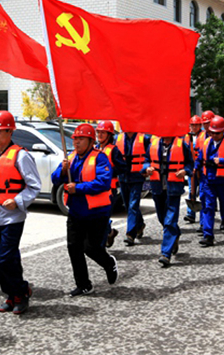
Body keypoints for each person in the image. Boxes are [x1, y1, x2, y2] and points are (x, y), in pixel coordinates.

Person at [0, 111, 41, 315]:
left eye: (0, 131)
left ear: (10, 132)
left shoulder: (21, 156)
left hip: (12, 216)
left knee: (4, 257)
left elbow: (34, 185)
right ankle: (11, 295)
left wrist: (18, 200)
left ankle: (21, 293)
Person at [52, 124, 119, 296]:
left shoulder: (100, 158)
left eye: (81, 139)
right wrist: (63, 170)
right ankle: (83, 284)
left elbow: (103, 182)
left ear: (90, 141)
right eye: (75, 139)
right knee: (73, 247)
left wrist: (79, 188)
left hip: (97, 212)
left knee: (92, 248)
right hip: (76, 211)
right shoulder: (71, 157)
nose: (76, 142)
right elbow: (55, 178)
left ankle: (108, 262)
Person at [144, 135, 194, 267]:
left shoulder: (181, 144)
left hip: (173, 187)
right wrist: (147, 167)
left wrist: (185, 171)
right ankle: (175, 234)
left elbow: (190, 162)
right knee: (162, 218)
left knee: (170, 220)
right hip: (157, 186)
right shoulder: (153, 144)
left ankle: (165, 254)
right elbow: (146, 160)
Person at [194, 115, 224, 246]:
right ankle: (208, 235)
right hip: (208, 180)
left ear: (223, 131)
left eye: (217, 133)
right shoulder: (206, 142)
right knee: (208, 206)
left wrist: (223, 161)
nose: (214, 135)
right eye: (211, 132)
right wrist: (195, 168)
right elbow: (200, 159)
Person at [115, 130, 150, 246]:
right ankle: (140, 224)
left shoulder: (144, 138)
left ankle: (130, 234)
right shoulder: (117, 138)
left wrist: (146, 168)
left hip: (137, 176)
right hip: (123, 176)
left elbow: (149, 156)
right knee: (127, 205)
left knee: (133, 205)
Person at [95, 120, 126, 248]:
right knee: (96, 217)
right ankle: (109, 232)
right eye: (99, 132)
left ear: (109, 135)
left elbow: (123, 167)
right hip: (95, 188)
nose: (100, 135)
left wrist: (108, 171)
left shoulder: (114, 150)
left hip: (109, 190)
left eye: (103, 133)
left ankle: (100, 246)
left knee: (103, 216)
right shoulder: (94, 148)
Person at [183, 115, 206, 224]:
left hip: (201, 168)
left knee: (202, 193)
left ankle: (203, 220)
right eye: (192, 125)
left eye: (196, 125)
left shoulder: (205, 136)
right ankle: (190, 214)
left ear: (200, 125)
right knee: (191, 191)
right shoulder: (187, 137)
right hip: (191, 167)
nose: (194, 127)